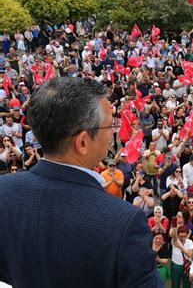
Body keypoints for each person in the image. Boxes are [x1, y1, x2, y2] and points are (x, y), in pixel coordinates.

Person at [0, 77, 162, 286]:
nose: (114, 131)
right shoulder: (124, 222)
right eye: (109, 125)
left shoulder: (4, 192)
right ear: (83, 142)